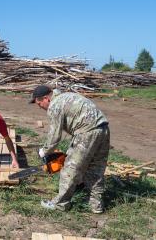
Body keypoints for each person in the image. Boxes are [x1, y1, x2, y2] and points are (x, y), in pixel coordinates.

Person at [30, 85, 110, 213]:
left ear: (46, 99)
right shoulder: (67, 96)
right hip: (103, 129)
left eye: (40, 104)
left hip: (86, 132)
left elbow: (54, 135)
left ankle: (60, 204)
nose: (41, 107)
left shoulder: (55, 105)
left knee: (69, 169)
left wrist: (44, 152)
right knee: (95, 169)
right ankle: (96, 205)